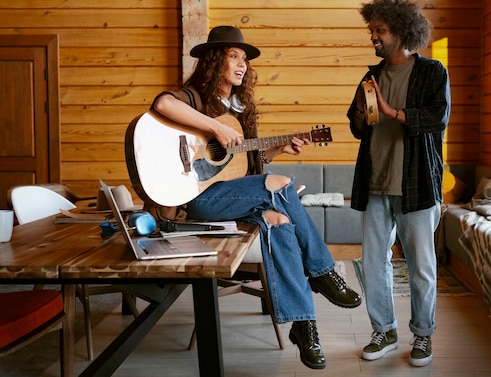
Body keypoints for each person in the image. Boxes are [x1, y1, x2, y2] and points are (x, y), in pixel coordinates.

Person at [148, 25, 361, 370]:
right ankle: (321, 270)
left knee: (280, 221)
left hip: (231, 199)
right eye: (234, 56)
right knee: (282, 184)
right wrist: (216, 127)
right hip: (194, 202)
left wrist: (277, 148)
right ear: (215, 60)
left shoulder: (241, 109)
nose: (242, 64)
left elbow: (249, 168)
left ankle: (303, 325)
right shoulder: (197, 98)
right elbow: (162, 103)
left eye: (244, 59)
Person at [346, 0, 451, 367]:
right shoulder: (370, 76)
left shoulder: (432, 72)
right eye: (371, 29)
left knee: (421, 266)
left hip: (417, 185)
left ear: (401, 31)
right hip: (375, 184)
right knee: (374, 264)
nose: (373, 35)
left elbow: (437, 117)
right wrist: (360, 113)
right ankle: (384, 330)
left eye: (380, 30)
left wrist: (395, 112)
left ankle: (422, 336)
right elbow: (357, 126)